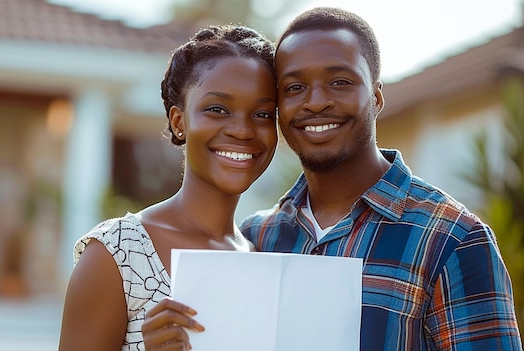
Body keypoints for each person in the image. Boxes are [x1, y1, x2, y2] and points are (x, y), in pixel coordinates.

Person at [141, 7, 523, 350]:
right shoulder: (256, 239)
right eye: (294, 87)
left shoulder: (452, 239)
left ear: (375, 97)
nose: (315, 101)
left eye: (339, 82)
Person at [57, 24, 278, 351]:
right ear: (179, 121)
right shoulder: (117, 254)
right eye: (217, 109)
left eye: (262, 114)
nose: (243, 130)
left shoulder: (263, 258)